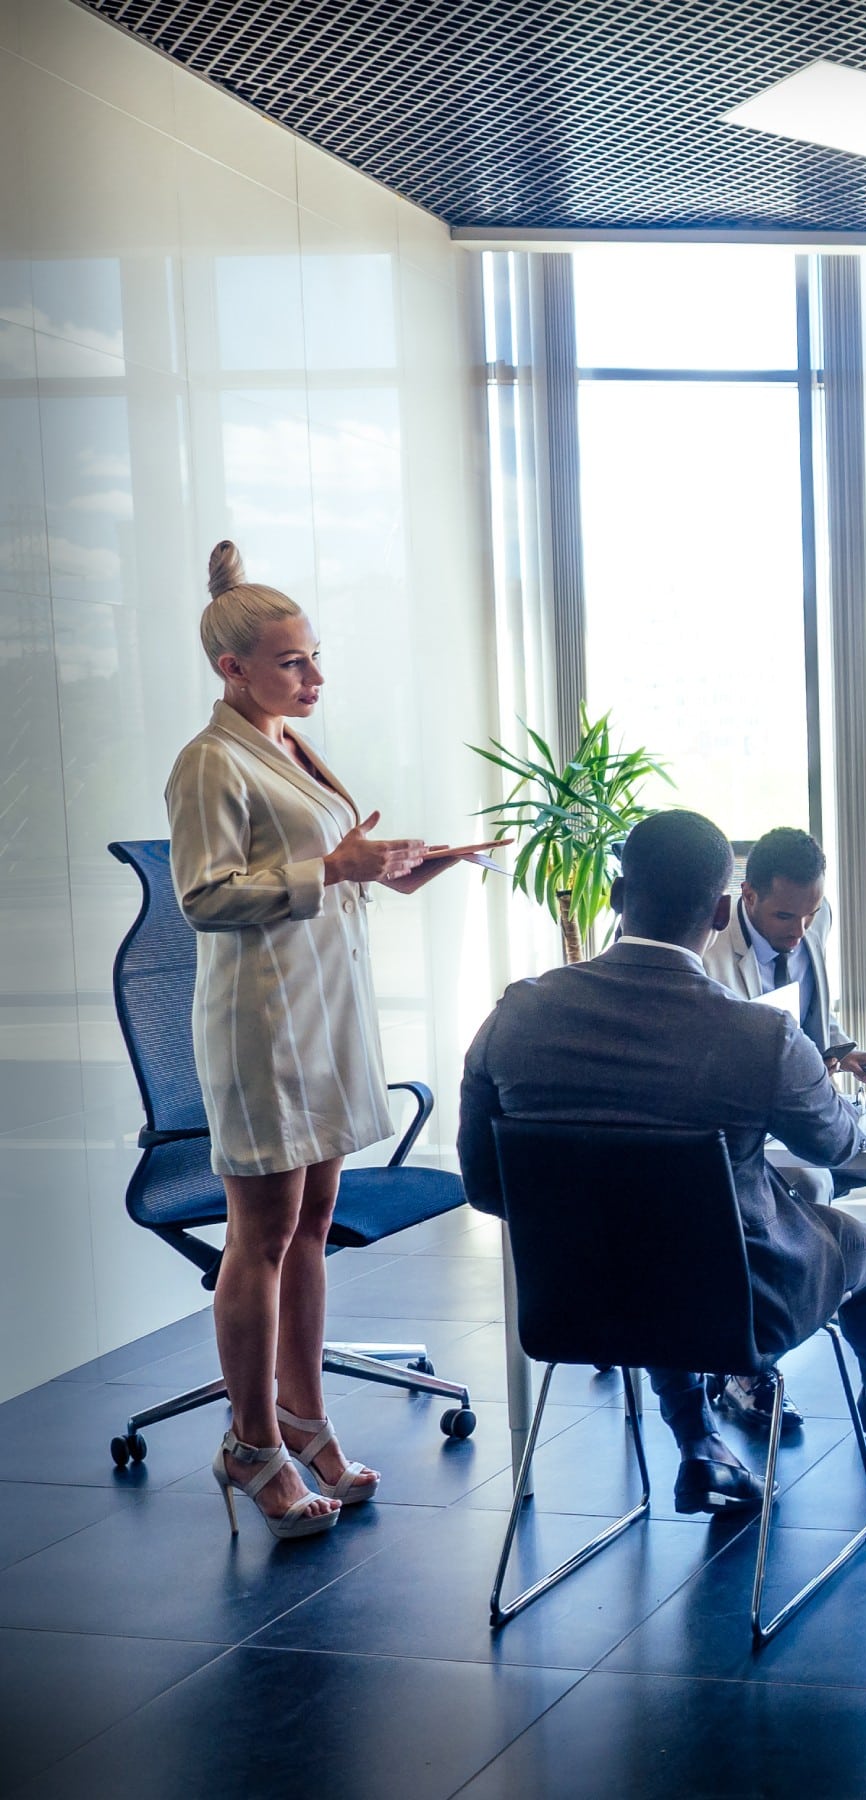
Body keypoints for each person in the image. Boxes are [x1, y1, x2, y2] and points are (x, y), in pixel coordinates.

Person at [457, 810, 866, 1517]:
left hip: (573, 1302)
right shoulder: (759, 1034)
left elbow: (488, 1187)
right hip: (742, 1306)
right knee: (863, 1244)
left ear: (619, 896)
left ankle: (698, 1440)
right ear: (721, 909)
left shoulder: (515, 1015)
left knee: (646, 1247)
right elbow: (835, 1145)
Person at [167, 541, 473, 1539]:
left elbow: (316, 868)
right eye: (294, 661)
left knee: (312, 1223)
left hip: (327, 1010)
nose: (315, 677)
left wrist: (384, 869)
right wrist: (336, 869)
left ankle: (302, 1413)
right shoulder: (210, 761)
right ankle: (248, 1444)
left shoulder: (290, 747)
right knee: (258, 1237)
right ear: (235, 669)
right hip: (263, 1025)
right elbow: (206, 899)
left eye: (312, 656)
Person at [699, 827, 866, 1399]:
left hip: (820, 1113)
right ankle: (753, 1362)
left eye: (811, 912)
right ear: (746, 897)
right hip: (765, 1140)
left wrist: (841, 1049)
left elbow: (808, 1022)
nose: (799, 930)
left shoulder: (811, 922)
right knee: (806, 1183)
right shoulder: (711, 959)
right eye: (784, 917)